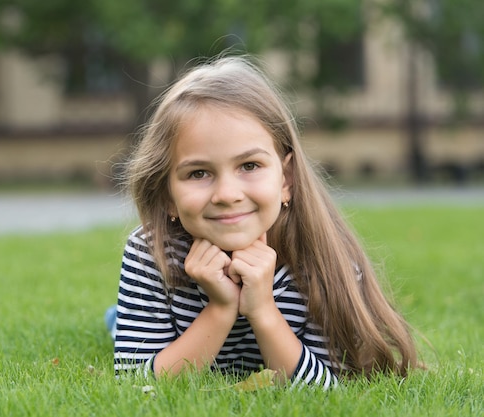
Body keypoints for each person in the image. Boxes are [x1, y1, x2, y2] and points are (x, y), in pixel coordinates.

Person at [110, 55, 418, 388]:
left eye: (249, 166)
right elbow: (135, 384)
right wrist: (221, 308)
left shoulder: (324, 256)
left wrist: (262, 309)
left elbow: (326, 391)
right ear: (168, 195)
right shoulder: (149, 252)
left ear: (285, 178)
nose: (227, 194)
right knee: (118, 325)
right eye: (199, 173)